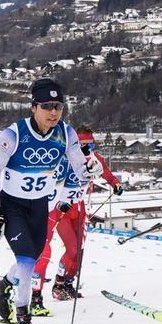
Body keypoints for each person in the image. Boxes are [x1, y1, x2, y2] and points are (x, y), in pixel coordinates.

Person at [0, 78, 89, 324]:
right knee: (26, 261)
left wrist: (91, 171)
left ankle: (3, 286)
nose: (53, 112)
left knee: (31, 259)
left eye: (58, 106)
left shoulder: (66, 134)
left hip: (39, 205)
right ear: (34, 107)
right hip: (12, 205)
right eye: (46, 106)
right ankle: (24, 323)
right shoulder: (13, 135)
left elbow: (81, 170)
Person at [31, 124, 121, 311]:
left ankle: (65, 283)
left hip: (79, 207)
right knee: (68, 247)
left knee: (78, 250)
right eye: (82, 145)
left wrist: (116, 184)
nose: (87, 149)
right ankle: (46, 289)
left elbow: (107, 173)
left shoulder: (94, 159)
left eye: (91, 145)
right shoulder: (66, 159)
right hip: (62, 208)